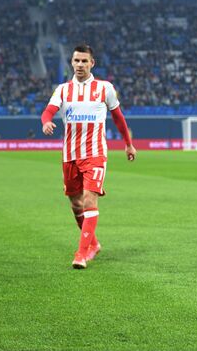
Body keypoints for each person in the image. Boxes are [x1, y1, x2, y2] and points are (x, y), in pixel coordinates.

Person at [41, 44, 136, 269]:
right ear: (72, 63)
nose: (80, 65)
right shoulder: (63, 90)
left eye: (85, 61)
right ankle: (93, 244)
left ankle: (81, 254)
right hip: (70, 155)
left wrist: (128, 144)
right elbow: (48, 111)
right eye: (77, 61)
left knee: (89, 200)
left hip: (95, 154)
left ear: (92, 63)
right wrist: (46, 121)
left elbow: (119, 118)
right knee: (76, 204)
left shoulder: (105, 88)